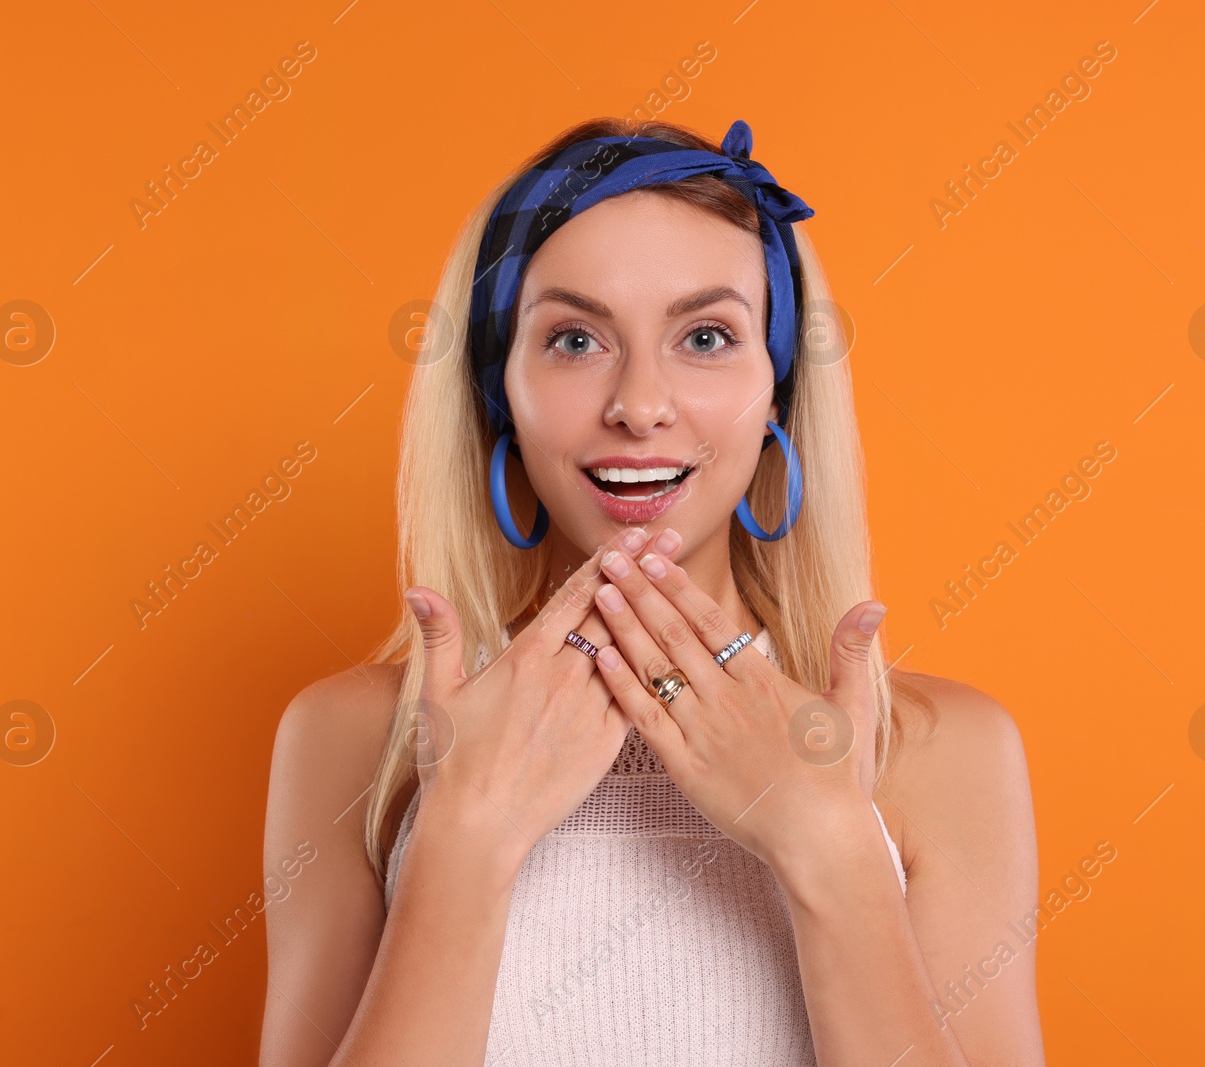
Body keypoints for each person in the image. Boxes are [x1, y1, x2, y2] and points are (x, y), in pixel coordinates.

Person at [260, 116, 1045, 1066]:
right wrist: (464, 840)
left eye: (706, 335)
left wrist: (831, 849)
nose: (639, 402)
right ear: (497, 388)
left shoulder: (942, 749)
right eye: (575, 339)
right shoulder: (354, 740)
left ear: (777, 394)